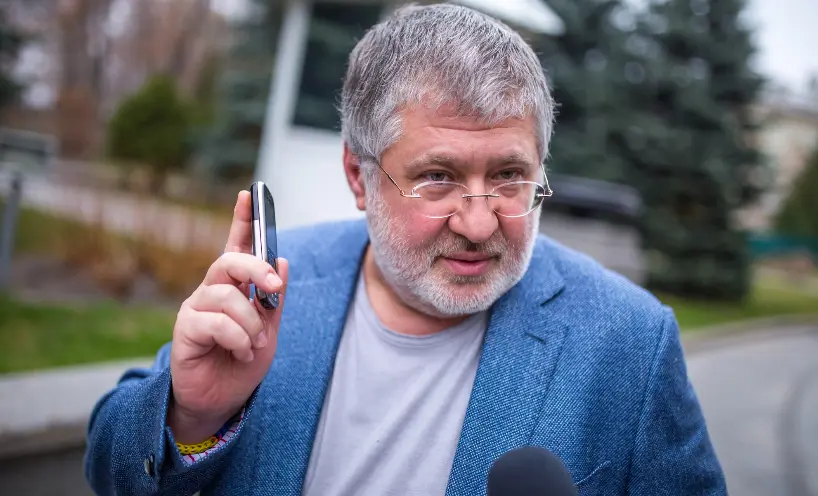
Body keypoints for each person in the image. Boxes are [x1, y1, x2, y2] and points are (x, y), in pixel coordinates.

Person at [84, 4, 727, 495]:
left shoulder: (629, 341)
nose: (479, 224)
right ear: (358, 176)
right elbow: (110, 467)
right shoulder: (270, 285)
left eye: (510, 176)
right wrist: (191, 417)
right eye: (438, 177)